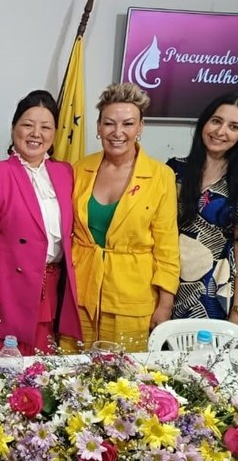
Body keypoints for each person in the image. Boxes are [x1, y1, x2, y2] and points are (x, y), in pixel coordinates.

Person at [0, 90, 82, 357]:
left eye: (45, 127)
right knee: (4, 370)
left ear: (54, 133)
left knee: (43, 371)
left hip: (51, 290)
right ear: (14, 127)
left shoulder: (65, 173)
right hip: (7, 293)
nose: (36, 134)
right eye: (27, 125)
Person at [72, 82, 179, 353]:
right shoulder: (79, 169)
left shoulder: (161, 176)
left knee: (123, 375)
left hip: (133, 300)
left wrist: (165, 305)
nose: (117, 132)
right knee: (71, 372)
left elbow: (167, 248)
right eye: (109, 123)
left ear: (140, 127)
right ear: (98, 127)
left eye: (128, 124)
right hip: (80, 295)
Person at [168, 93, 238, 327]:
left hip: (211, 295)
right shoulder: (174, 170)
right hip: (165, 285)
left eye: (233, 127)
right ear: (204, 122)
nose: (221, 131)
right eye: (216, 121)